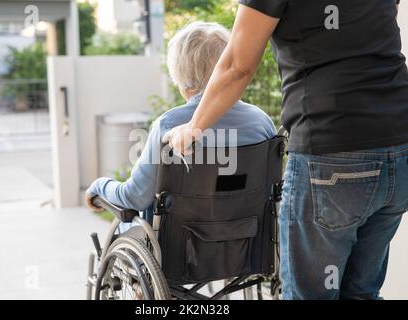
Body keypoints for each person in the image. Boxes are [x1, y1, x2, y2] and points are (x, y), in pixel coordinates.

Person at [164, 1, 408, 299]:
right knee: (361, 293)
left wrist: (194, 126)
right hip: (399, 146)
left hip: (332, 150)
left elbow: (237, 64)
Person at [86, 22, 276, 225]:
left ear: (180, 76)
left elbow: (136, 197)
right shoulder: (261, 123)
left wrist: (100, 186)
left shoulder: (169, 124)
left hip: (179, 248)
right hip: (247, 242)